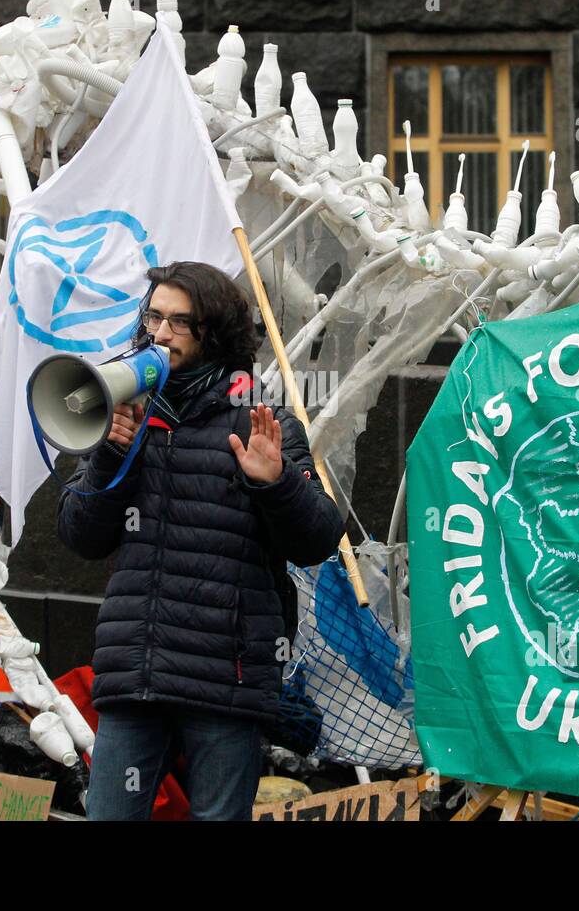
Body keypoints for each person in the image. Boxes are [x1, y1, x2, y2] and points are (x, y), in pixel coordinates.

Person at [58, 261, 345, 821]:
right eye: (153, 319)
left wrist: (276, 484)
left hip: (226, 679)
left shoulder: (263, 423)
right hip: (136, 672)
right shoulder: (127, 416)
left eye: (179, 323)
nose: (159, 335)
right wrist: (109, 456)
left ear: (214, 334)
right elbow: (79, 536)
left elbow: (318, 539)